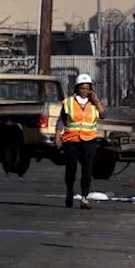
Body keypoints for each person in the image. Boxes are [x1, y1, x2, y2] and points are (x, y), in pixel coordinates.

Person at [53, 74, 104, 209]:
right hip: (71, 140)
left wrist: (97, 101)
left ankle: (84, 198)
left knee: (87, 170)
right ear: (77, 88)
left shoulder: (94, 103)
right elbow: (61, 120)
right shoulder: (68, 102)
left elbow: (103, 115)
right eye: (83, 88)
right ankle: (70, 192)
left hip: (89, 140)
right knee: (71, 169)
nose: (85, 91)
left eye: (88, 88)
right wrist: (58, 135)